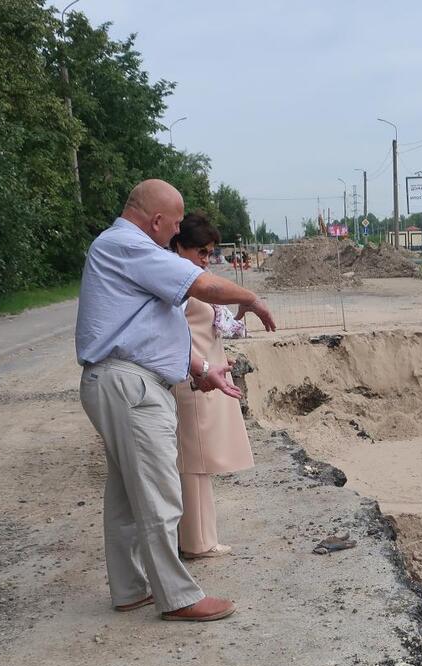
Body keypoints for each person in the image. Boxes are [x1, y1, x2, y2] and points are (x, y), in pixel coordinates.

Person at [75, 179, 276, 623]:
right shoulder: (129, 245)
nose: (178, 230)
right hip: (130, 386)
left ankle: (130, 588)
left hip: (120, 381)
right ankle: (178, 596)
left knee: (128, 495)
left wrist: (202, 371)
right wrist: (253, 298)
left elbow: (150, 330)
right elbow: (205, 287)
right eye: (178, 222)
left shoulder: (124, 251)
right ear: (157, 219)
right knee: (160, 493)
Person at [168, 213, 253, 559]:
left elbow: (227, 326)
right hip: (192, 379)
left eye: (209, 252)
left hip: (206, 375)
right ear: (178, 246)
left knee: (197, 461)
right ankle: (197, 542)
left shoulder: (195, 283)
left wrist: (245, 310)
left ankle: (199, 538)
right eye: (200, 251)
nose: (206, 259)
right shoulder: (178, 286)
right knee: (193, 461)